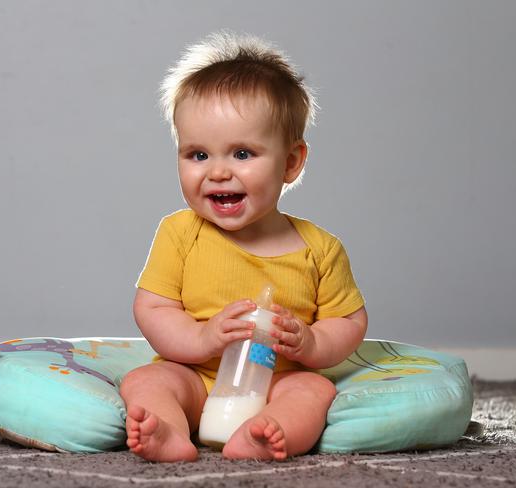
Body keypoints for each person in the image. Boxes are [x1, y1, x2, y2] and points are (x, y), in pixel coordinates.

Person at [120, 31, 368, 462]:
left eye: (241, 154)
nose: (217, 172)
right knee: (146, 380)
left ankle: (262, 434)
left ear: (291, 162)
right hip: (195, 377)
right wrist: (202, 336)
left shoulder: (319, 249)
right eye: (197, 155)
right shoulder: (181, 232)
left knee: (314, 390)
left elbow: (348, 322)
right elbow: (152, 308)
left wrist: (310, 344)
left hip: (274, 383)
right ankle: (170, 432)